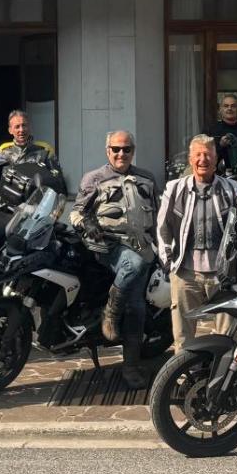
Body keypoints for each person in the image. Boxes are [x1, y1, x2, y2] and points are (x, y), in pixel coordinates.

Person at [70, 130, 159, 389]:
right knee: (133, 265)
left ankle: (130, 367)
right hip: (108, 247)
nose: (121, 154)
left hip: (143, 248)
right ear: (107, 150)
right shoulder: (94, 178)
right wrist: (88, 224)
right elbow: (76, 213)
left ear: (133, 151)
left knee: (137, 309)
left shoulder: (147, 178)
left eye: (126, 149)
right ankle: (110, 311)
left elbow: (158, 217)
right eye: (116, 149)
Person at [155, 134, 237, 352]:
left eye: (208, 154)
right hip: (185, 273)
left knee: (226, 338)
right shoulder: (174, 189)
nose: (203, 159)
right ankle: (183, 372)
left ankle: (221, 373)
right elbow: (162, 228)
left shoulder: (232, 189)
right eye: (198, 154)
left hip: (222, 274)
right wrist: (168, 262)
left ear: (216, 159)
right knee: (183, 338)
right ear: (190, 159)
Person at [0, 110, 62, 191]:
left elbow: (58, 180)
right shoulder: (3, 151)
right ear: (10, 130)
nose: (21, 130)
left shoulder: (44, 150)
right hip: (10, 199)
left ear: (29, 127)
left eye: (24, 125)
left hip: (37, 199)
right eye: (17, 127)